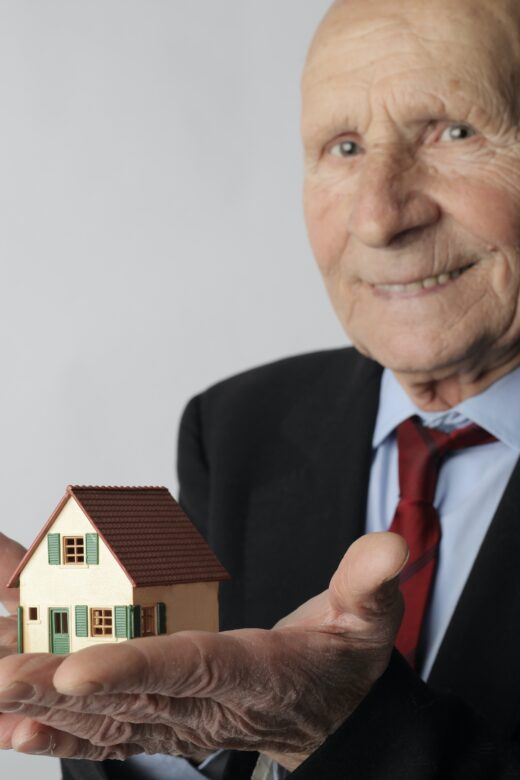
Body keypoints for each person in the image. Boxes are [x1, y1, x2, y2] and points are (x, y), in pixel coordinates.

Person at [2, 0, 520, 777]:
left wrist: (333, 725)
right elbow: (202, 710)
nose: (379, 216)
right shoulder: (236, 423)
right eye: (343, 147)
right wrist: (154, 717)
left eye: (454, 131)